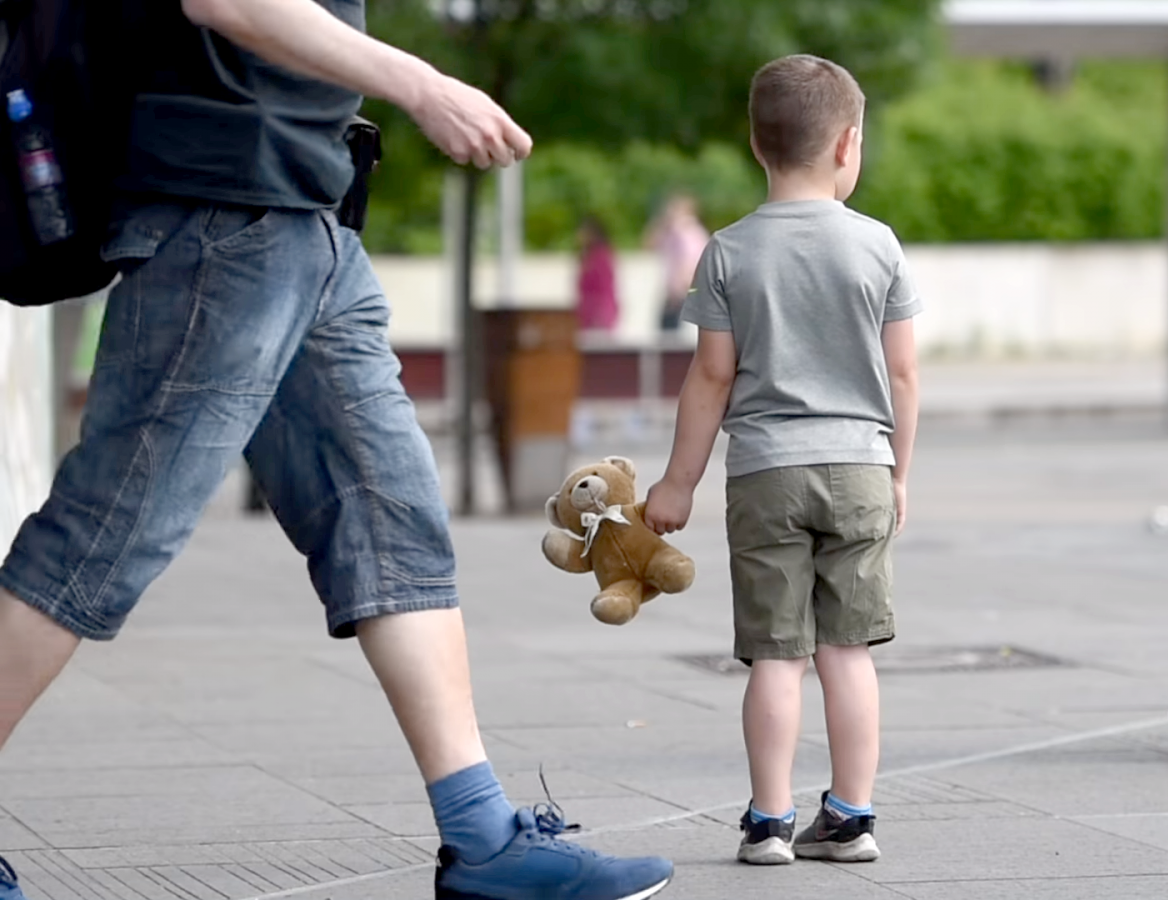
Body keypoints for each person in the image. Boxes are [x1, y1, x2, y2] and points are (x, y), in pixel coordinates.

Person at [0, 2, 673, 899]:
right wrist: (423, 84)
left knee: (395, 527)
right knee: (102, 538)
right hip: (223, 220)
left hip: (307, 217)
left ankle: (483, 841)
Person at [641, 54, 921, 866]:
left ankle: (769, 821)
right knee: (848, 651)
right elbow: (903, 372)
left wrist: (677, 483)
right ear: (848, 148)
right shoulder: (878, 246)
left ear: (757, 146)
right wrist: (899, 473)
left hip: (765, 472)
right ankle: (853, 815)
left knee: (776, 654)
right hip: (862, 467)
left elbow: (711, 376)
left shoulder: (727, 251)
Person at [644, 194, 709, 333]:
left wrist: (680, 287)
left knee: (673, 334)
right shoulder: (671, 233)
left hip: (682, 291)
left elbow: (689, 261)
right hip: (673, 291)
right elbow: (649, 244)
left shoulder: (690, 232)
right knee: (666, 331)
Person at [575, 216, 619, 333]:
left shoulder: (601, 256)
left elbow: (604, 288)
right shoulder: (587, 256)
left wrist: (601, 315)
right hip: (586, 315)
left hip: (599, 316)